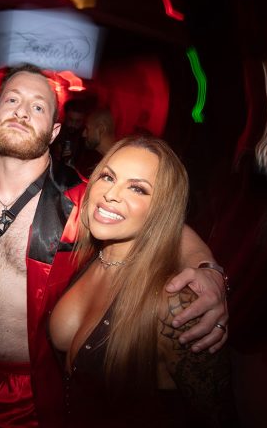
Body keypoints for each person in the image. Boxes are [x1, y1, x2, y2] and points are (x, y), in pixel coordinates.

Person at [0, 64, 229, 428]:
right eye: (12, 100)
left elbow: (161, 223)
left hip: (32, 387)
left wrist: (206, 268)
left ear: (54, 130)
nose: (22, 112)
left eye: (38, 106)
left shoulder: (81, 200)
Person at [49, 136, 237, 427]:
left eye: (137, 188)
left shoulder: (176, 304)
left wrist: (210, 270)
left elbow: (217, 416)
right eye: (108, 177)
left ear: (161, 209)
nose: (111, 194)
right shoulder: (87, 254)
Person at [75, 108, 116, 177]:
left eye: (87, 129)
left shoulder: (119, 162)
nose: (83, 134)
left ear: (101, 129)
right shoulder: (99, 160)